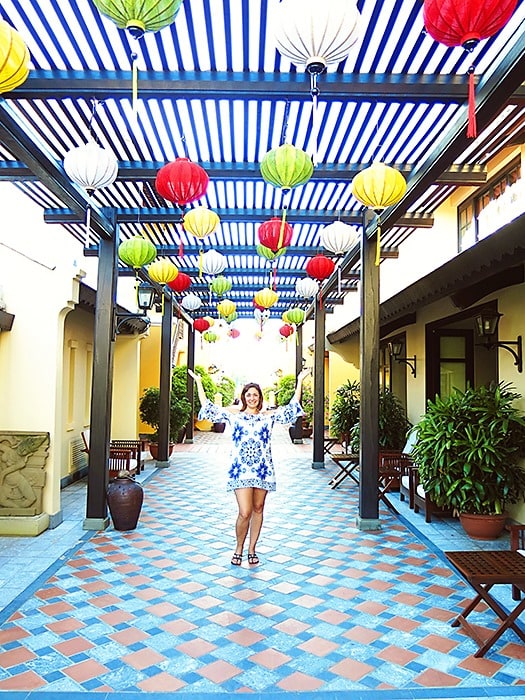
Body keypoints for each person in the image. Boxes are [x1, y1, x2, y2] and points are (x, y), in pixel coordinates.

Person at [189, 368, 311, 566]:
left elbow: (292, 408)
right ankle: (238, 547)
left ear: (260, 398)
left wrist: (299, 381)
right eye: (248, 395)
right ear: (243, 397)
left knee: (258, 508)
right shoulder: (234, 417)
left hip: (263, 469)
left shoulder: (268, 417)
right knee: (245, 511)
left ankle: (252, 549)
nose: (252, 398)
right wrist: (199, 383)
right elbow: (208, 407)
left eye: (255, 395)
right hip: (241, 470)